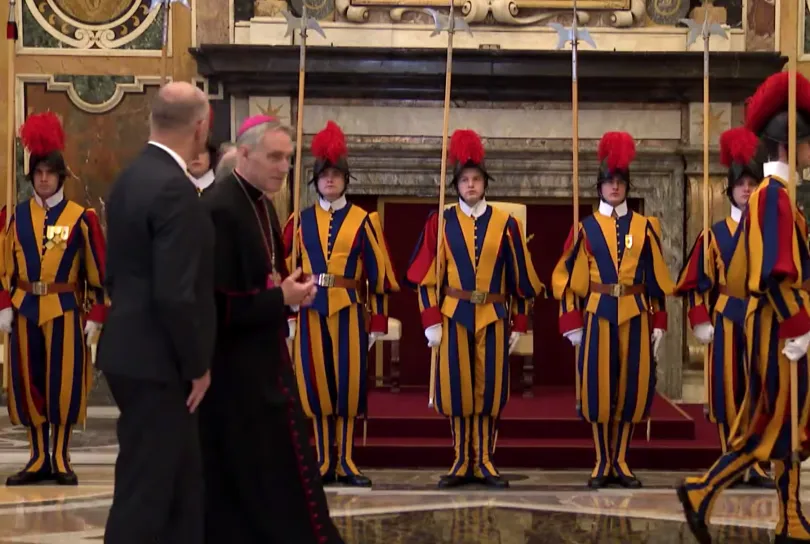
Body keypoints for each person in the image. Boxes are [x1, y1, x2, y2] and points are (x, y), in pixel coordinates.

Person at [677, 72, 810, 544]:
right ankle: (701, 491)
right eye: (806, 141)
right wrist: (798, 326)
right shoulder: (773, 198)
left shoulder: (779, 198)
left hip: (777, 326)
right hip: (780, 328)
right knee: (770, 425)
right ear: (790, 144)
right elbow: (774, 271)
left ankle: (789, 516)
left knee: (787, 426)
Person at [200, 114, 344, 544]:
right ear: (244, 153)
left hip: (263, 361)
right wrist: (280, 298)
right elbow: (215, 305)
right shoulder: (219, 209)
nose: (285, 167)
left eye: (289, 158)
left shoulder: (260, 203)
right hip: (236, 375)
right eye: (276, 157)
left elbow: (264, 280)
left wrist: (290, 291)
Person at [97, 81, 215, 544]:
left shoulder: (128, 178)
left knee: (180, 489)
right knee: (145, 495)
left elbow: (114, 273)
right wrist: (197, 364)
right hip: (161, 363)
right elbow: (175, 294)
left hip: (129, 350)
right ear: (201, 127)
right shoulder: (173, 190)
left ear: (152, 118)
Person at [405, 129, 544, 489]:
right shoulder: (440, 221)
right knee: (457, 390)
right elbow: (426, 277)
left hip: (494, 317)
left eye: (476, 179)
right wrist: (430, 320)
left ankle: (484, 459)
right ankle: (460, 459)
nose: (470, 185)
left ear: (485, 184)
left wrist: (520, 323)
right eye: (465, 179)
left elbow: (521, 280)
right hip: (453, 316)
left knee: (489, 390)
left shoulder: (506, 224)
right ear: (456, 184)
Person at [551, 131, 674, 490]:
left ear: (627, 185)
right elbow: (566, 278)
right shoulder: (584, 228)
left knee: (631, 388)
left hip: (636, 314)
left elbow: (655, 278)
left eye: (620, 181)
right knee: (599, 389)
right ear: (600, 187)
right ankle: (601, 460)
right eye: (609, 181)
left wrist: (659, 321)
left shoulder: (646, 227)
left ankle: (621, 459)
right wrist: (571, 322)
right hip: (598, 314)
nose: (615, 187)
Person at [283, 121, 399, 487]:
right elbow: (284, 270)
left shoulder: (364, 221)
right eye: (324, 175)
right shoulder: (299, 221)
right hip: (310, 309)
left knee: (348, 384)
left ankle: (346, 459)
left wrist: (377, 322)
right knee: (316, 384)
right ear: (315, 181)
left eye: (335, 175)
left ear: (346, 180)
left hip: (349, 310)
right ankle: (322, 460)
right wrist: (288, 313)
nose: (329, 180)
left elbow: (379, 275)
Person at [0, 112, 107, 486]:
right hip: (24, 310)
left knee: (63, 385)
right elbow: (2, 266)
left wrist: (97, 313)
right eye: (38, 172)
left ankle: (60, 456)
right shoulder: (14, 217)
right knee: (28, 384)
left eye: (50, 172)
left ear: (61, 176)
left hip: (65, 311)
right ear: (31, 176)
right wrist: (4, 304)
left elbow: (98, 270)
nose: (44, 178)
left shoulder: (81, 218)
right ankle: (36, 456)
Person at [674, 126, 774, 489]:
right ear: (729, 189)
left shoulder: (770, 232)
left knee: (761, 390)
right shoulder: (712, 235)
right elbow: (694, 283)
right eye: (740, 183)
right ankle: (729, 460)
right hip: (726, 319)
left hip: (761, 319)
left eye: (752, 183)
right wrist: (700, 320)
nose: (746, 189)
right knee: (727, 392)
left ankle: (758, 464)